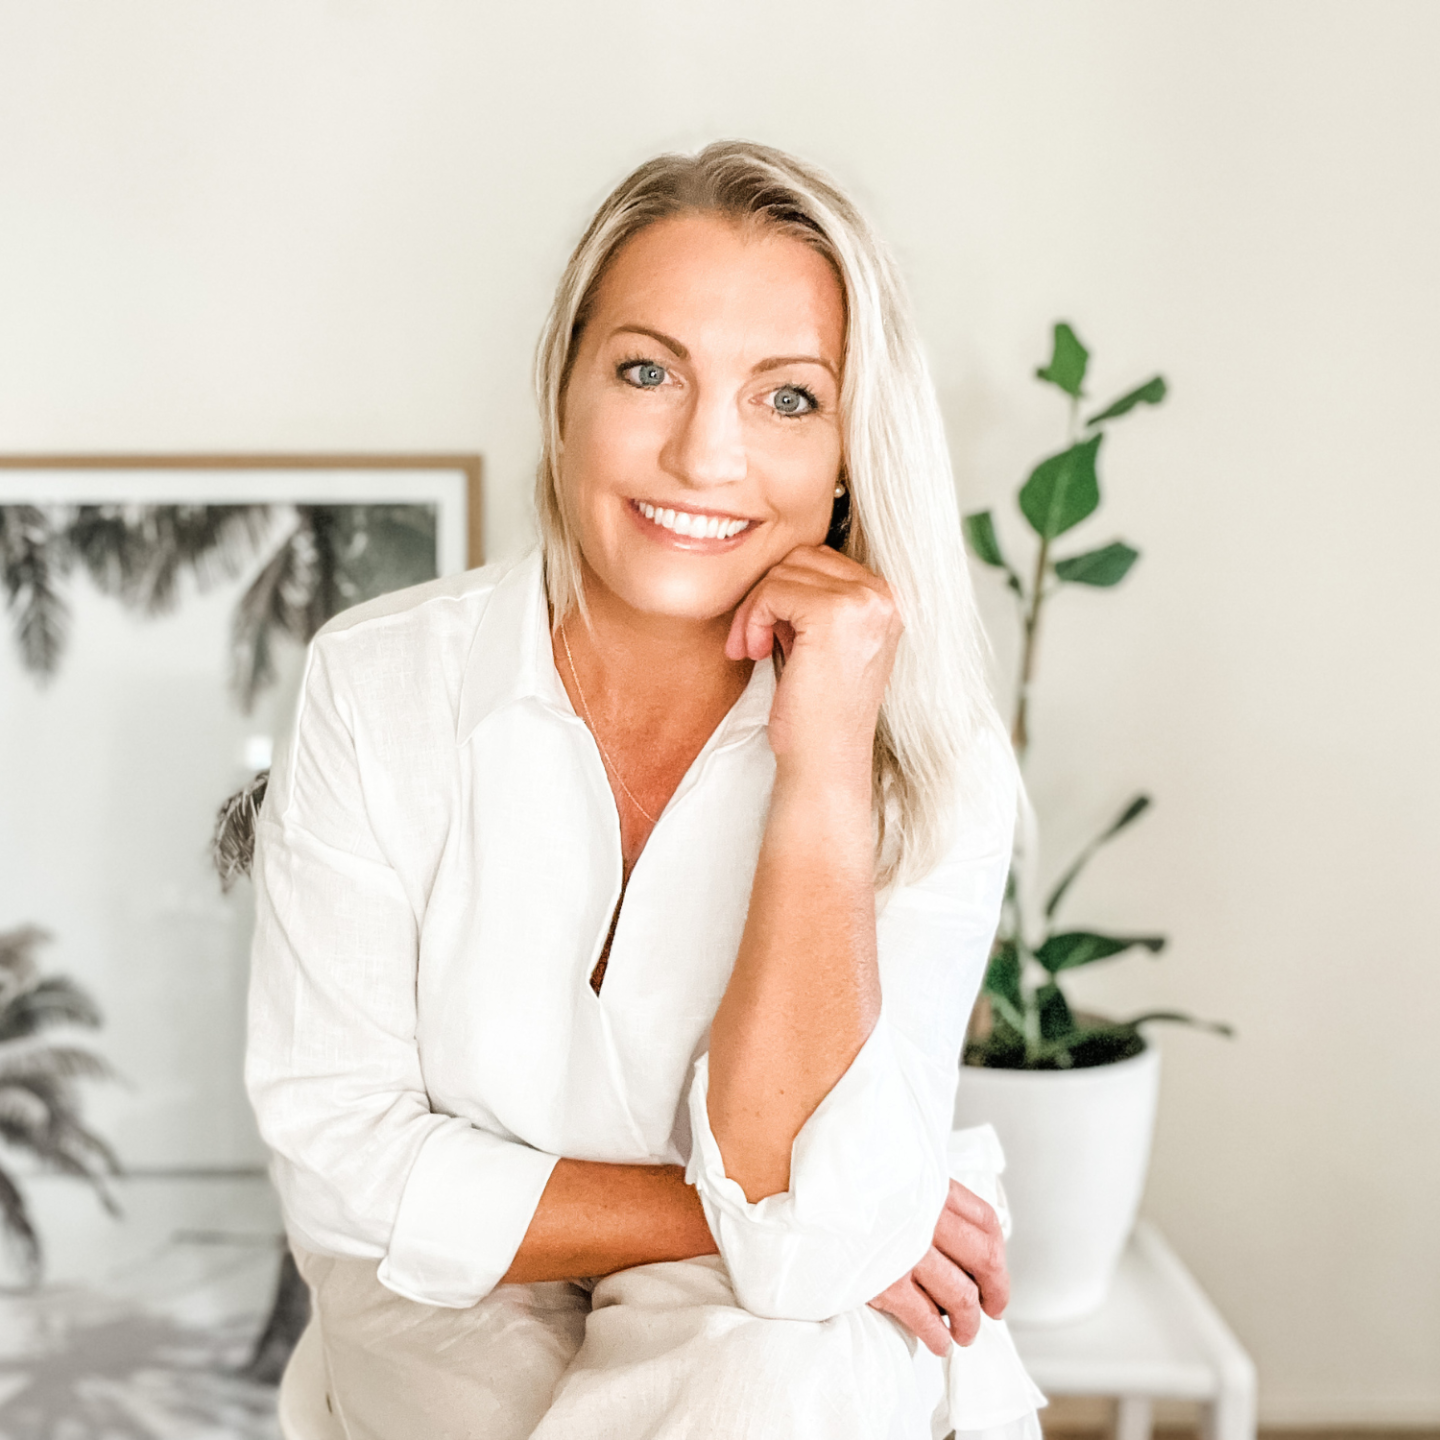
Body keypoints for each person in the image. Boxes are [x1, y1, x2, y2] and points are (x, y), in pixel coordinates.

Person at [245, 141, 1042, 1440]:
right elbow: (342, 1161)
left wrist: (825, 768)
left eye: (788, 398)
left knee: (775, 1378)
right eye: (647, 371)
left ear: (851, 452)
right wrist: (749, 1217)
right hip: (450, 1286)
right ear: (563, 391)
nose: (704, 454)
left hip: (752, 1312)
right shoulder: (378, 684)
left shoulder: (931, 759)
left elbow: (803, 1268)